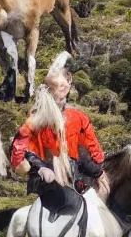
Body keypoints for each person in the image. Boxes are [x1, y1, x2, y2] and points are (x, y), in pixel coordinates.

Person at [10, 52, 104, 192]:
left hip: (62, 180)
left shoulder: (73, 117)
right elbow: (92, 153)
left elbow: (20, 151)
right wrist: (98, 172)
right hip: (57, 181)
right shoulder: (73, 118)